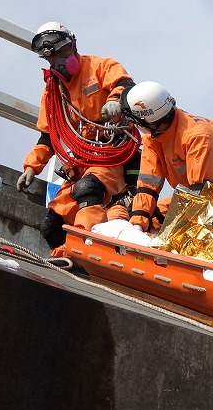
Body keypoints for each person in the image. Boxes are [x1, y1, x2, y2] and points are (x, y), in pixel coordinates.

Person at [119, 81, 213, 270]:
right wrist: (138, 224)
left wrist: (169, 244)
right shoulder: (153, 138)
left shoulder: (198, 136)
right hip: (199, 191)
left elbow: (198, 199)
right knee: (154, 217)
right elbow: (148, 185)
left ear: (148, 121)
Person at [14, 22, 138, 251]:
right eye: (51, 58)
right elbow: (48, 136)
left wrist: (115, 101)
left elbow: (125, 84)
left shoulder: (100, 67)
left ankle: (85, 250)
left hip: (112, 155)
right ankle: (66, 258)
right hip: (82, 161)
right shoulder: (53, 91)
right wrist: (31, 167)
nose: (58, 62)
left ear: (73, 46)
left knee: (88, 190)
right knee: (52, 226)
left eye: (62, 53)